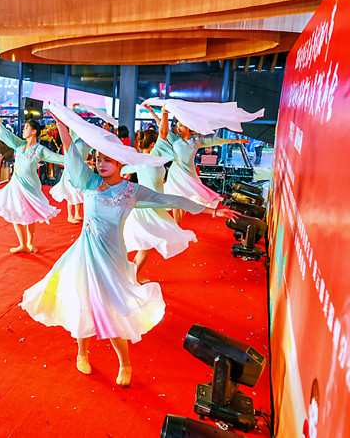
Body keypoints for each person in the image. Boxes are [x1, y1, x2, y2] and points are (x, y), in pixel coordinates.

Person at [20, 106, 240, 386]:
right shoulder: (89, 182)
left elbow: (172, 200)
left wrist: (212, 211)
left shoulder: (131, 192)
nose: (100, 164)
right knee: (84, 305)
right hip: (84, 257)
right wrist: (62, 125)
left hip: (113, 260)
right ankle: (82, 353)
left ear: (120, 163)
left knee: (113, 312)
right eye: (98, 159)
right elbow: (71, 153)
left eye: (107, 160)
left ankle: (124, 363)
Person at [0, 106, 64, 253]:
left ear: (34, 131)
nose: (24, 130)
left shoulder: (40, 150)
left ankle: (30, 243)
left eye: (26, 128)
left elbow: (59, 158)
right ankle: (22, 244)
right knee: (15, 211)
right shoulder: (19, 144)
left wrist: (81, 162)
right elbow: (4, 132)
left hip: (31, 186)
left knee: (30, 213)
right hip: (16, 184)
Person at [148, 105, 249, 224]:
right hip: (175, 173)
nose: (178, 129)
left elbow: (215, 141)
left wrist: (237, 141)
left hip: (189, 175)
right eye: (177, 126)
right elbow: (161, 124)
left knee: (185, 200)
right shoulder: (175, 139)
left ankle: (178, 225)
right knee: (176, 200)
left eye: (181, 126)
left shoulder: (197, 141)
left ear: (188, 127)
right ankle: (177, 226)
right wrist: (152, 112)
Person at [120, 125, 197, 283]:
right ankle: (130, 277)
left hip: (145, 204)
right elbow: (163, 133)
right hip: (148, 206)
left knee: (142, 243)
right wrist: (164, 114)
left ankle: (129, 275)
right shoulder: (151, 158)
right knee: (144, 244)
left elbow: (123, 170)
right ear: (154, 145)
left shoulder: (142, 159)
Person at [49, 134, 88, 224]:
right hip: (71, 170)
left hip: (81, 170)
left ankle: (77, 214)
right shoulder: (73, 139)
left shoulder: (85, 141)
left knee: (79, 191)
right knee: (71, 192)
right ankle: (70, 215)